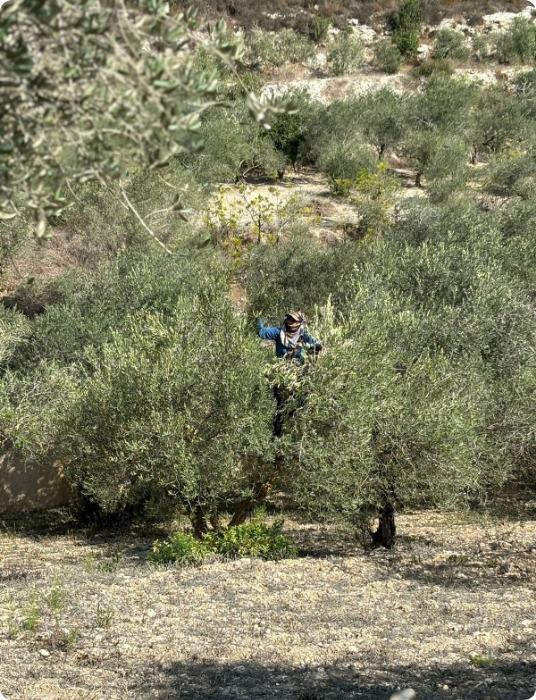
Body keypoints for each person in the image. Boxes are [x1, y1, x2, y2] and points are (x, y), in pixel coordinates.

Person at [257, 310, 323, 361]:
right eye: (289, 319)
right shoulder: (279, 332)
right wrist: (257, 316)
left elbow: (315, 345)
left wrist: (320, 346)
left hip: (298, 369)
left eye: (293, 320)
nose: (290, 322)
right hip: (281, 368)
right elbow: (261, 332)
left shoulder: (303, 335)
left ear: (299, 323)